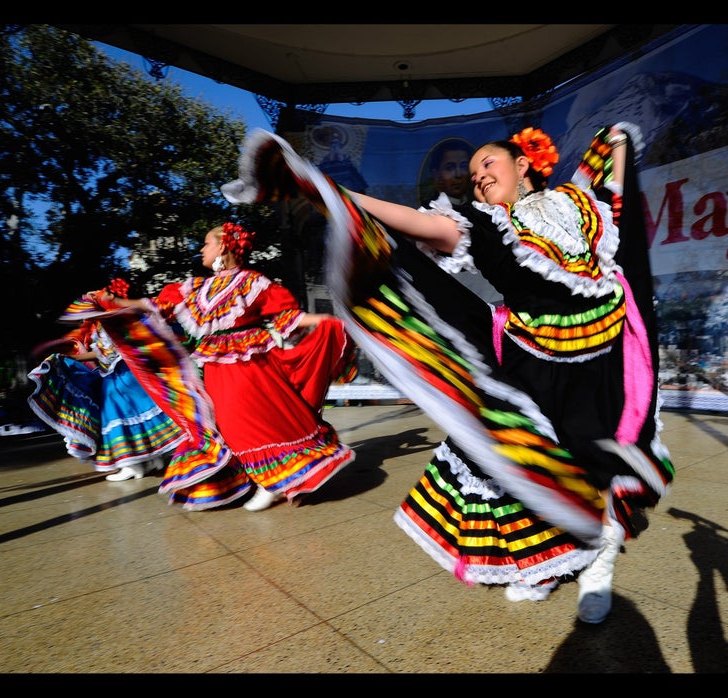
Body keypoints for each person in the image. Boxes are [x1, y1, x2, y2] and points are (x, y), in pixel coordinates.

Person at [221, 123, 674, 624]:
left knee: (602, 455)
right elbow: (418, 224)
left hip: (606, 352)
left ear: (523, 164)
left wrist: (617, 137)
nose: (479, 177)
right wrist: (328, 191)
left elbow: (618, 182)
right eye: (474, 172)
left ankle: (599, 562)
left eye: (488, 164)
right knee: (523, 456)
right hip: (531, 357)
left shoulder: (578, 201)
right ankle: (549, 560)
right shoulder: (482, 224)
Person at [102, 222, 358, 512]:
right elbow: (156, 306)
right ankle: (259, 478)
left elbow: (289, 319)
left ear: (223, 246)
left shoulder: (254, 282)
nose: (201, 249)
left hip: (249, 363)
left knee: (249, 421)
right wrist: (118, 302)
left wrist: (324, 322)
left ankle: (271, 482)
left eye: (206, 243)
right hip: (215, 364)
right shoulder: (197, 287)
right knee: (227, 424)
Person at [27, 278, 185, 481]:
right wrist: (69, 358)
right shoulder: (102, 325)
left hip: (123, 376)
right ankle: (147, 460)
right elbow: (100, 352)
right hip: (119, 375)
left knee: (117, 415)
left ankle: (134, 463)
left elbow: (108, 351)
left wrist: (72, 357)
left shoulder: (115, 321)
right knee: (132, 414)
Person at [418, 137, 475, 207]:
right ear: (436, 174)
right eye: (450, 168)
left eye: (463, 166)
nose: (458, 174)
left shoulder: (478, 209)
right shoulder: (430, 210)